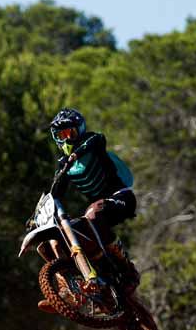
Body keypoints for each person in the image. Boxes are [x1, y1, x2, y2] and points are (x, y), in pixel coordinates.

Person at [38, 108, 140, 314]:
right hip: (97, 209)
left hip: (120, 197)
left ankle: (128, 269)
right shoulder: (63, 163)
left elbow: (95, 141)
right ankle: (68, 291)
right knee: (56, 239)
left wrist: (74, 155)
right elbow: (56, 192)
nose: (67, 139)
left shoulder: (92, 141)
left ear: (80, 130)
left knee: (92, 213)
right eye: (62, 135)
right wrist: (38, 217)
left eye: (71, 133)